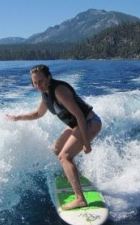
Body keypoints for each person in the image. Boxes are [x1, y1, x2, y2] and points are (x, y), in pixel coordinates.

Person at [6, 64, 102, 210]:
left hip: (89, 122)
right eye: (35, 82)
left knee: (64, 156)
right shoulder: (44, 93)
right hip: (76, 125)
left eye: (41, 81)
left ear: (49, 77)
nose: (38, 85)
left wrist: (86, 142)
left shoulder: (59, 91)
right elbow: (37, 114)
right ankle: (77, 174)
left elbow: (80, 115)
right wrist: (17, 117)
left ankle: (80, 199)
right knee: (57, 149)